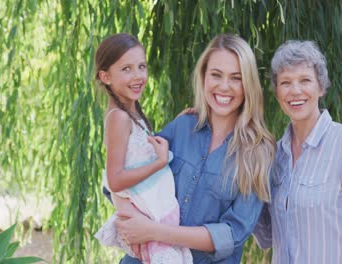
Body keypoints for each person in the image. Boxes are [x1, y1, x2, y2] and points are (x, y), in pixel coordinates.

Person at [114, 34, 277, 263]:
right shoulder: (182, 127)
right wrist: (133, 223)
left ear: (248, 84)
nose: (224, 86)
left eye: (236, 78)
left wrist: (153, 231)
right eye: (216, 75)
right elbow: (125, 176)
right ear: (203, 77)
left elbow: (231, 234)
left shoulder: (259, 153)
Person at [253, 40, 342, 263]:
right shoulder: (273, 156)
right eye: (286, 82)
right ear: (277, 92)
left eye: (305, 80)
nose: (295, 90)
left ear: (321, 87)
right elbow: (267, 236)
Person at [93, 33, 192, 263]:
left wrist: (178, 124)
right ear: (106, 76)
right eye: (126, 69)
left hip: (152, 215)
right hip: (147, 217)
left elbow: (139, 153)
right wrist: (160, 162)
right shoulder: (119, 117)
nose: (137, 76)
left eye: (141, 66)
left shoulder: (130, 112)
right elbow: (115, 180)